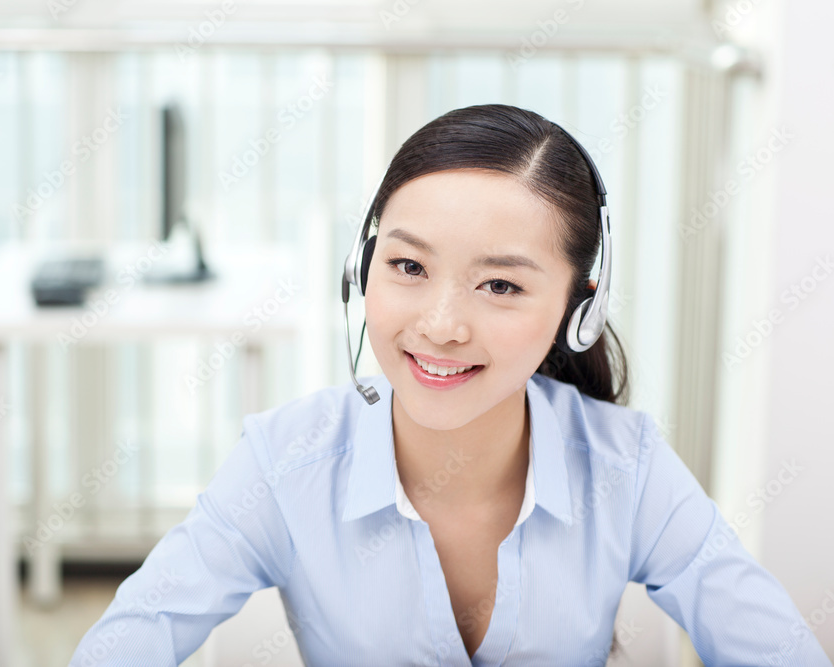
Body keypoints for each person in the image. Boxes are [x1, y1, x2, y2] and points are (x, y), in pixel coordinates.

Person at [70, 104, 831, 666]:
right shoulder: (285, 460)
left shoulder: (624, 465)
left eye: (500, 285)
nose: (440, 325)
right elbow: (133, 634)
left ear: (581, 307)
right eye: (407, 266)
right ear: (360, 268)